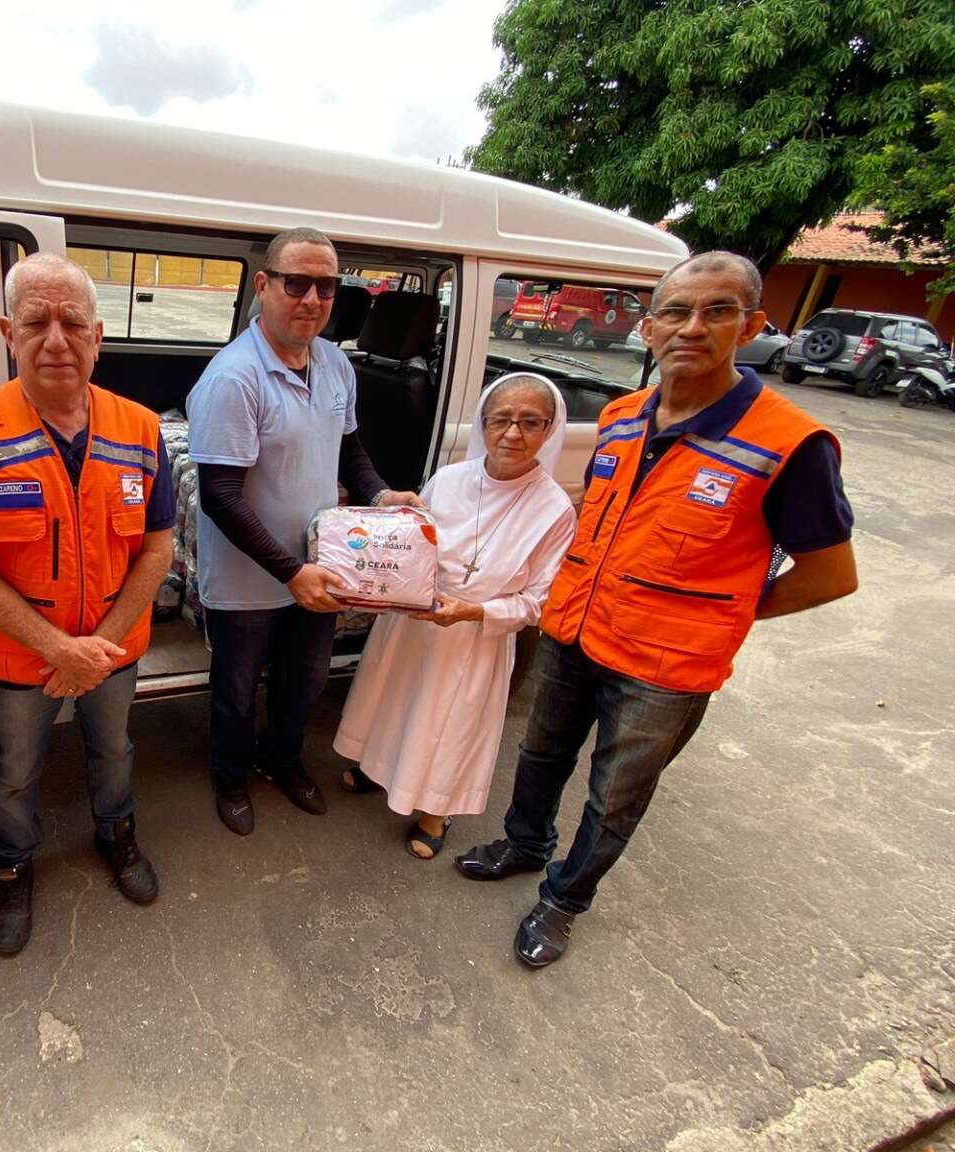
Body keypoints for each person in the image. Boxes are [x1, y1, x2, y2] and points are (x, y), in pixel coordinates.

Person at [455, 252, 859, 967]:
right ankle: (523, 843)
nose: (692, 327)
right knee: (542, 752)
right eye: (675, 311)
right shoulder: (621, 417)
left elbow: (830, 575)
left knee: (615, 795)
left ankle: (563, 901)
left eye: (718, 311)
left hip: (667, 669)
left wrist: (728, 610)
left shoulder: (787, 443)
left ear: (754, 325)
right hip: (577, 629)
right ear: (647, 328)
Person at [0, 253, 175, 956]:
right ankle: (12, 870)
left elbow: (157, 551)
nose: (57, 340)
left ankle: (118, 837)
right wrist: (57, 651)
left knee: (114, 751)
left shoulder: (140, 429)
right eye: (36, 322)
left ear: (98, 336)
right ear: (9, 332)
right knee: (14, 772)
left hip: (111, 648)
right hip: (22, 659)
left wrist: (93, 647)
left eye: (73, 322)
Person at [187, 227, 421, 836]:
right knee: (237, 688)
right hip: (252, 579)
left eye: (326, 285)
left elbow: (350, 451)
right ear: (264, 286)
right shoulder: (233, 379)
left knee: (305, 681)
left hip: (323, 567)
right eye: (297, 283)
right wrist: (292, 571)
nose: (312, 298)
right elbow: (220, 497)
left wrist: (379, 495)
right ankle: (231, 775)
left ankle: (284, 760)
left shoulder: (336, 364)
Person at [335, 373, 575, 859]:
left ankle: (435, 809)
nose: (512, 434)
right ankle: (376, 765)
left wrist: (475, 611)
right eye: (500, 420)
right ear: (483, 424)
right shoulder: (450, 479)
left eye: (529, 422)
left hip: (476, 633)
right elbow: (410, 543)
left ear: (550, 430)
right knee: (394, 698)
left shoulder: (555, 510)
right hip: (414, 620)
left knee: (449, 723)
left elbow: (537, 601)